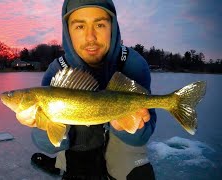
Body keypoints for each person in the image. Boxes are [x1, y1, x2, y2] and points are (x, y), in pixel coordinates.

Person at [18, 0, 157, 179]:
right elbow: (49, 145)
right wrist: (43, 126)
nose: (91, 37)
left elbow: (143, 136)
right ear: (67, 31)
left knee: (139, 173)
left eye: (99, 24)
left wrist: (131, 127)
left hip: (120, 144)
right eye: (79, 27)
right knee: (74, 163)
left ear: (112, 27)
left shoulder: (133, 64)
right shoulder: (57, 71)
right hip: (76, 144)